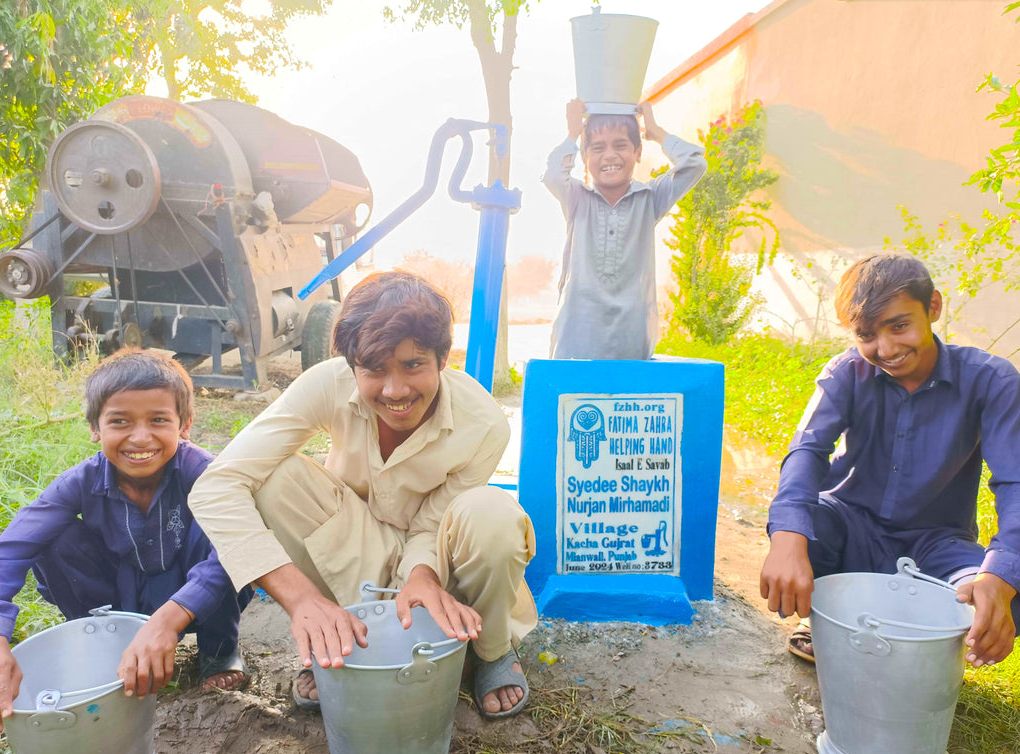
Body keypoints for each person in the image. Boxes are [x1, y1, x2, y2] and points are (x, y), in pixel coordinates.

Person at [187, 271, 537, 719]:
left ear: (443, 358)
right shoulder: (328, 383)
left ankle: (490, 651)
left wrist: (422, 576)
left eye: (413, 365)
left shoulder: (485, 423)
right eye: (374, 369)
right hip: (354, 554)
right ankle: (341, 631)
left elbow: (434, 523)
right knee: (274, 479)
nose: (395, 391)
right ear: (352, 364)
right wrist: (301, 600)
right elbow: (218, 485)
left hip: (436, 566)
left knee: (492, 514)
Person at [760, 254, 1020, 668]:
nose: (887, 349)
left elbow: (1014, 482)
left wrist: (1001, 574)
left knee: (1001, 595)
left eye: (900, 325)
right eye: (866, 335)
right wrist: (787, 536)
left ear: (933, 306)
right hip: (848, 522)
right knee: (802, 533)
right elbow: (807, 451)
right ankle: (829, 621)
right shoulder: (846, 372)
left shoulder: (991, 380)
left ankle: (920, 643)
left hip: (938, 541)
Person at [0, 349, 252, 730]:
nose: (140, 437)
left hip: (197, 596)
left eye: (158, 420)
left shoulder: (204, 472)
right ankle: (106, 647)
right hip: (120, 593)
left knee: (223, 528)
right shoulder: (79, 482)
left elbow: (240, 545)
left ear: (185, 426)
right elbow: (11, 550)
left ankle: (219, 651)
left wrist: (171, 618)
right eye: (120, 421)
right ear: (95, 428)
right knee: (52, 535)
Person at [543, 98, 707, 360]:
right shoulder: (576, 197)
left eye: (621, 145)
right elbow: (552, 175)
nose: (609, 155)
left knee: (627, 402)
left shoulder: (650, 198)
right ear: (584, 157)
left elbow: (695, 165)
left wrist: (656, 131)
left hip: (632, 341)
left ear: (638, 152)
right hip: (575, 342)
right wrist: (573, 131)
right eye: (597, 148)